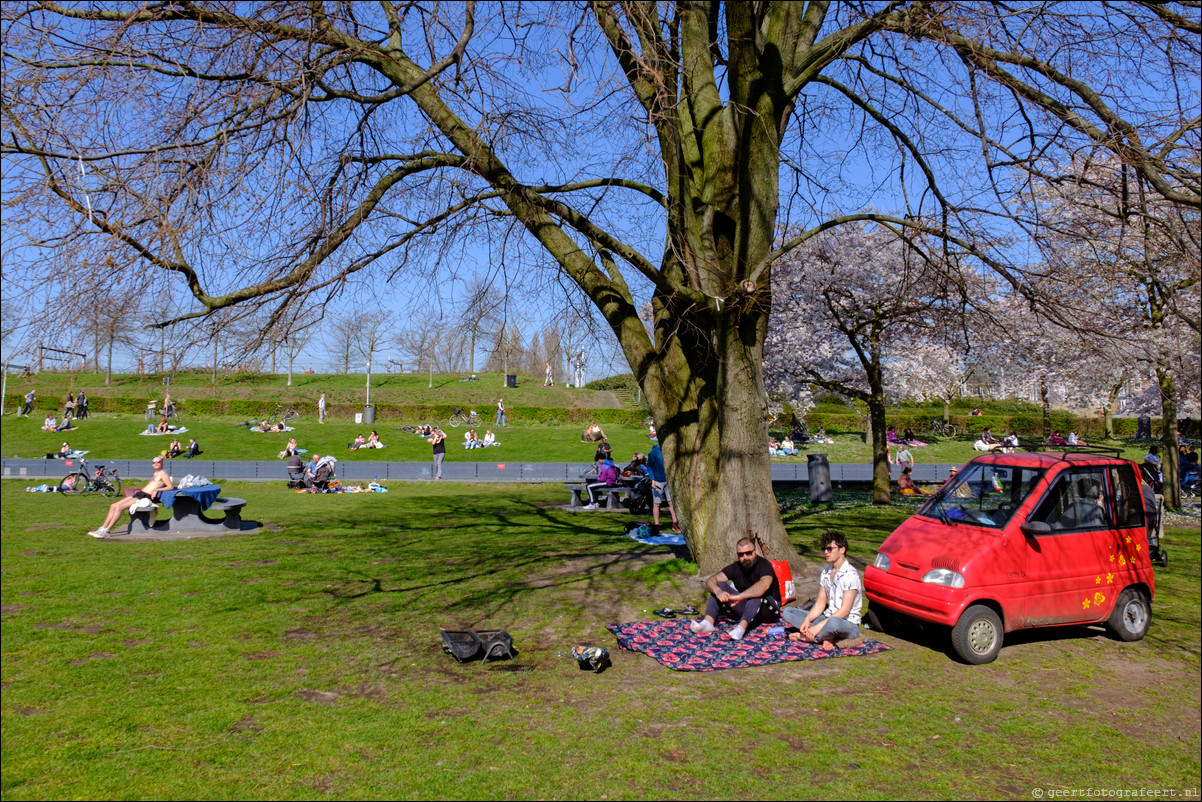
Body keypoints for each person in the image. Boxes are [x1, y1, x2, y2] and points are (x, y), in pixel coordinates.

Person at [782, 531, 862, 651]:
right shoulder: (826, 572)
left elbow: (845, 611)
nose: (825, 552)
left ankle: (805, 637)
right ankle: (826, 637)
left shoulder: (851, 575)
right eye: (824, 548)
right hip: (826, 618)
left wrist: (818, 627)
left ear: (842, 550)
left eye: (829, 549)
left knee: (834, 623)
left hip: (846, 623)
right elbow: (820, 603)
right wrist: (807, 620)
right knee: (788, 612)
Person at [688, 537, 781, 641]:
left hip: (769, 611)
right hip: (748, 608)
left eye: (748, 553)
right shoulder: (736, 567)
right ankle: (708, 623)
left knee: (756, 595)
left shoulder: (764, 565)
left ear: (756, 551)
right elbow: (711, 580)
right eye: (741, 554)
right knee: (720, 585)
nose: (745, 557)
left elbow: (764, 586)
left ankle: (741, 628)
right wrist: (718, 592)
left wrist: (739, 596)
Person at [87, 456, 173, 539]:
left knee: (119, 508)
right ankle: (102, 528)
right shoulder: (156, 473)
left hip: (145, 496)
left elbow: (170, 486)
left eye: (158, 462)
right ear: (152, 464)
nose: (156, 463)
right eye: (154, 462)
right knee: (113, 505)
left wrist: (157, 490)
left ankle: (107, 531)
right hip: (141, 493)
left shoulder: (163, 474)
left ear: (162, 463)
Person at [645, 443, 681, 533]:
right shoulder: (655, 452)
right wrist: (652, 479)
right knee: (657, 503)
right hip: (657, 481)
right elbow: (649, 466)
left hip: (669, 480)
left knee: (671, 503)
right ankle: (657, 525)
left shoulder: (670, 449)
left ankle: (675, 523)